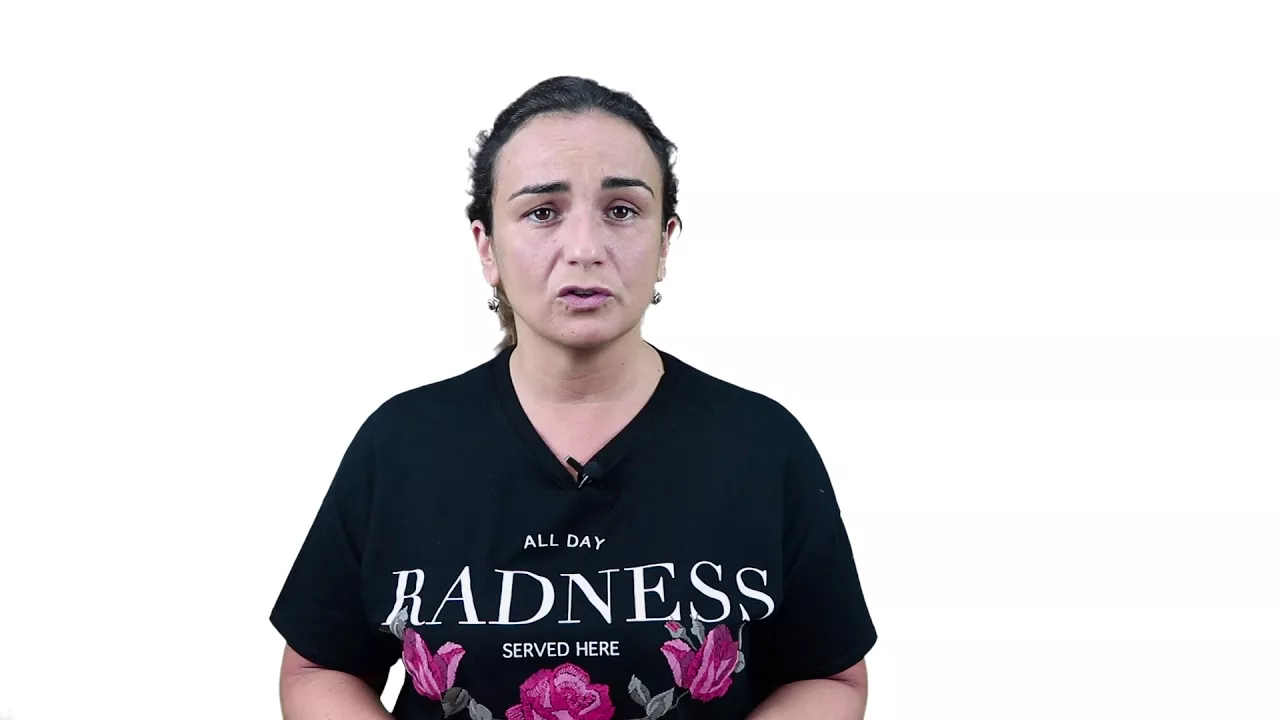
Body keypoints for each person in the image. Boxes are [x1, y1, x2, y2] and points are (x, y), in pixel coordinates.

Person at [270, 75, 877, 719]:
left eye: (622, 210)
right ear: (487, 247)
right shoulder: (400, 447)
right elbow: (319, 668)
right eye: (542, 212)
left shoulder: (761, 446)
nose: (585, 249)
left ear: (665, 242)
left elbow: (829, 677)